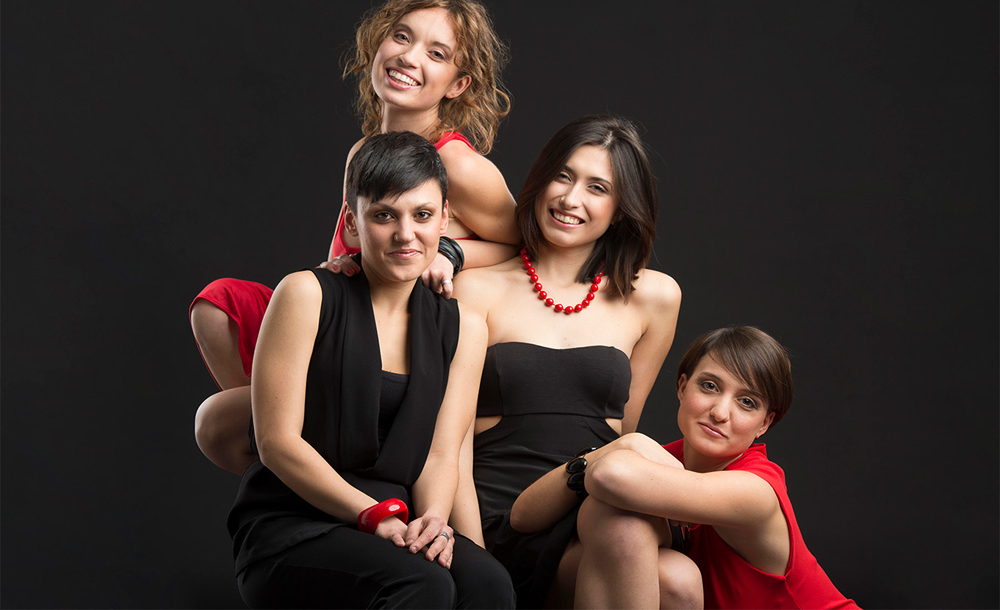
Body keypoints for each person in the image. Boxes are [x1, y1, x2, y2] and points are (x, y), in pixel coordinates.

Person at [191, 0, 519, 474]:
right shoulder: (363, 152)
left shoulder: (457, 163)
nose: (409, 57)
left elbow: (527, 249)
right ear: (378, 42)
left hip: (391, 336)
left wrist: (450, 252)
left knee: (218, 421)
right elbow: (345, 248)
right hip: (341, 310)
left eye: (436, 53)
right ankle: (296, 437)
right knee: (219, 306)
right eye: (401, 36)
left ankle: (317, 442)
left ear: (457, 84)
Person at [227, 131, 515, 609]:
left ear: (444, 218)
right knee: (423, 585)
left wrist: (434, 520)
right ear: (352, 222)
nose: (406, 234)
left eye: (423, 215)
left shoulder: (465, 327)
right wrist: (372, 514)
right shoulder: (305, 294)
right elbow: (276, 443)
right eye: (384, 215)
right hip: (293, 523)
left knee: (489, 584)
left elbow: (441, 454)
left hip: (399, 521)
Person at [449, 115, 702, 609]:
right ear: (541, 180)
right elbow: (450, 440)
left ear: (621, 210)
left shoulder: (654, 297)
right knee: (648, 552)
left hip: (597, 499)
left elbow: (622, 428)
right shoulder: (474, 289)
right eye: (562, 177)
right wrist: (472, 552)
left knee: (678, 580)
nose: (570, 198)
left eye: (597, 187)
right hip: (506, 516)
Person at [577, 326, 860, 609]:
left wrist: (628, 443)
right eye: (710, 386)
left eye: (746, 402)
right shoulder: (662, 460)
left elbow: (607, 474)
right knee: (629, 536)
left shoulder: (755, 490)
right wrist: (624, 448)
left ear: (764, 423)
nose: (720, 413)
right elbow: (546, 513)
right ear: (682, 386)